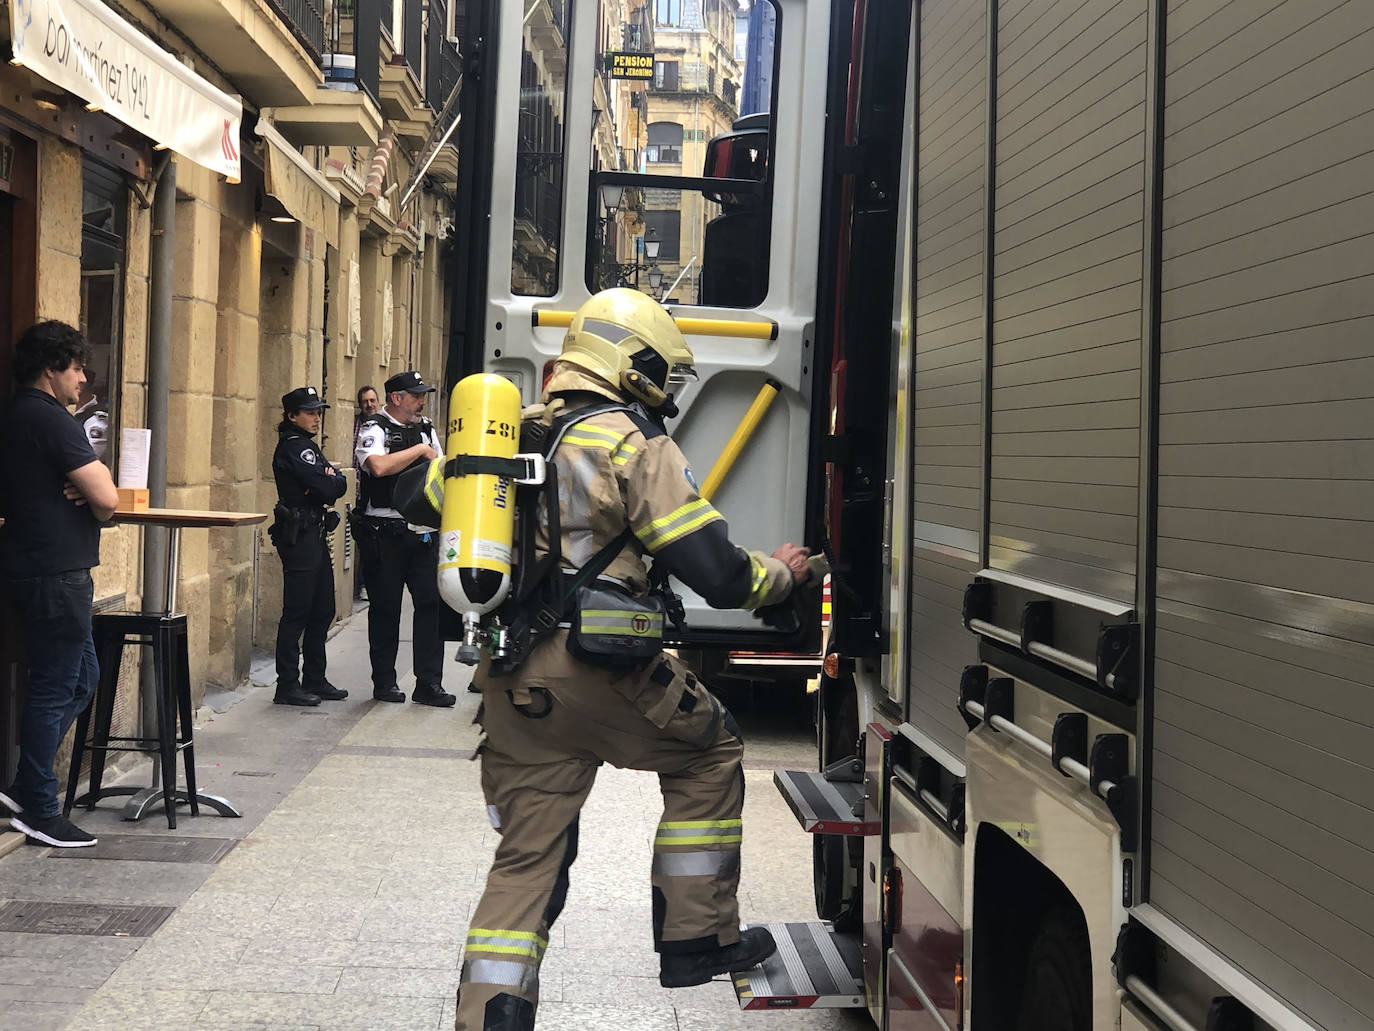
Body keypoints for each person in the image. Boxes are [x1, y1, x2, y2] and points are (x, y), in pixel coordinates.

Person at [453, 289, 811, 1030]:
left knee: (526, 863)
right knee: (712, 751)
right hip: (602, 668)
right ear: (633, 363)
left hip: (512, 681)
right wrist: (783, 577)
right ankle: (697, 937)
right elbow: (713, 566)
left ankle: (489, 1017)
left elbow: (429, 499)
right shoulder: (630, 443)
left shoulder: (511, 433)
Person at [0, 321, 118, 848]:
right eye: (76, 368)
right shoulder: (50, 417)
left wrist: (85, 486)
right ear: (52, 368)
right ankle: (39, 807)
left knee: (81, 679)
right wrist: (90, 486)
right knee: (54, 686)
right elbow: (108, 497)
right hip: (54, 571)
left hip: (43, 565)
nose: (83, 379)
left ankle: (28, 784)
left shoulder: (20, 414)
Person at [353, 370, 454, 706]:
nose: (421, 402)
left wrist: (427, 451)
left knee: (430, 607)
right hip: (385, 532)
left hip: (423, 532)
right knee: (385, 610)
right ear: (396, 398)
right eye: (415, 396)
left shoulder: (425, 430)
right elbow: (377, 467)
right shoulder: (373, 427)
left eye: (422, 395)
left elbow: (440, 466)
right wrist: (419, 453)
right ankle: (384, 682)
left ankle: (429, 683)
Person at [270, 386, 349, 706]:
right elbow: (326, 485)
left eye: (319, 412)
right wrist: (328, 479)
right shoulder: (294, 447)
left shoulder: (308, 446)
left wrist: (331, 479)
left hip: (314, 532)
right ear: (292, 416)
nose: (317, 418)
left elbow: (337, 484)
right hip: (299, 535)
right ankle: (287, 683)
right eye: (311, 412)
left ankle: (315, 677)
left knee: (323, 609)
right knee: (298, 611)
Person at [351, 385, 380, 601]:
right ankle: (361, 584)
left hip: (374, 494)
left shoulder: (382, 426)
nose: (369, 405)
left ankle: (366, 584)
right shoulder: (355, 425)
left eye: (372, 400)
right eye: (365, 401)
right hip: (357, 491)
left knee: (370, 542)